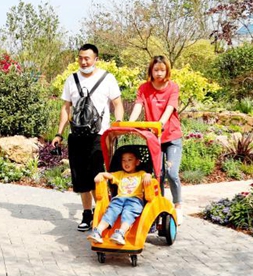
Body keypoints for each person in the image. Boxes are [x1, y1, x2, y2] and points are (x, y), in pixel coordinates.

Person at [52, 43, 123, 231]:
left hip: (99, 135)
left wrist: (118, 125)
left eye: (87, 58)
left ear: (96, 59)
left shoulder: (107, 78)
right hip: (76, 135)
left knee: (97, 175)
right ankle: (87, 214)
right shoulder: (71, 79)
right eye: (80, 58)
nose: (83, 62)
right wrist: (59, 133)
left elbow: (117, 104)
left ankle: (102, 211)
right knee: (80, 177)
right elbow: (66, 108)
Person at [128, 55, 183, 221]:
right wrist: (130, 122)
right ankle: (158, 206)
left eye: (162, 70)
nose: (159, 73)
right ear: (151, 70)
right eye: (156, 69)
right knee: (157, 174)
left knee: (172, 173)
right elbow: (138, 106)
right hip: (153, 138)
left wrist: (160, 123)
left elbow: (170, 107)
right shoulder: (144, 88)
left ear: (167, 70)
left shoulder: (173, 87)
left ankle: (178, 205)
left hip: (171, 136)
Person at [86, 147, 152, 245]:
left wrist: (148, 176)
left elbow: (148, 176)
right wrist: (100, 174)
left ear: (137, 162)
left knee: (128, 213)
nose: (126, 163)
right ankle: (98, 231)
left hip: (134, 200)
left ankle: (120, 233)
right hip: (119, 199)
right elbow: (108, 175)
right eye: (123, 160)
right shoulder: (120, 174)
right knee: (111, 211)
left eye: (130, 160)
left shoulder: (141, 174)